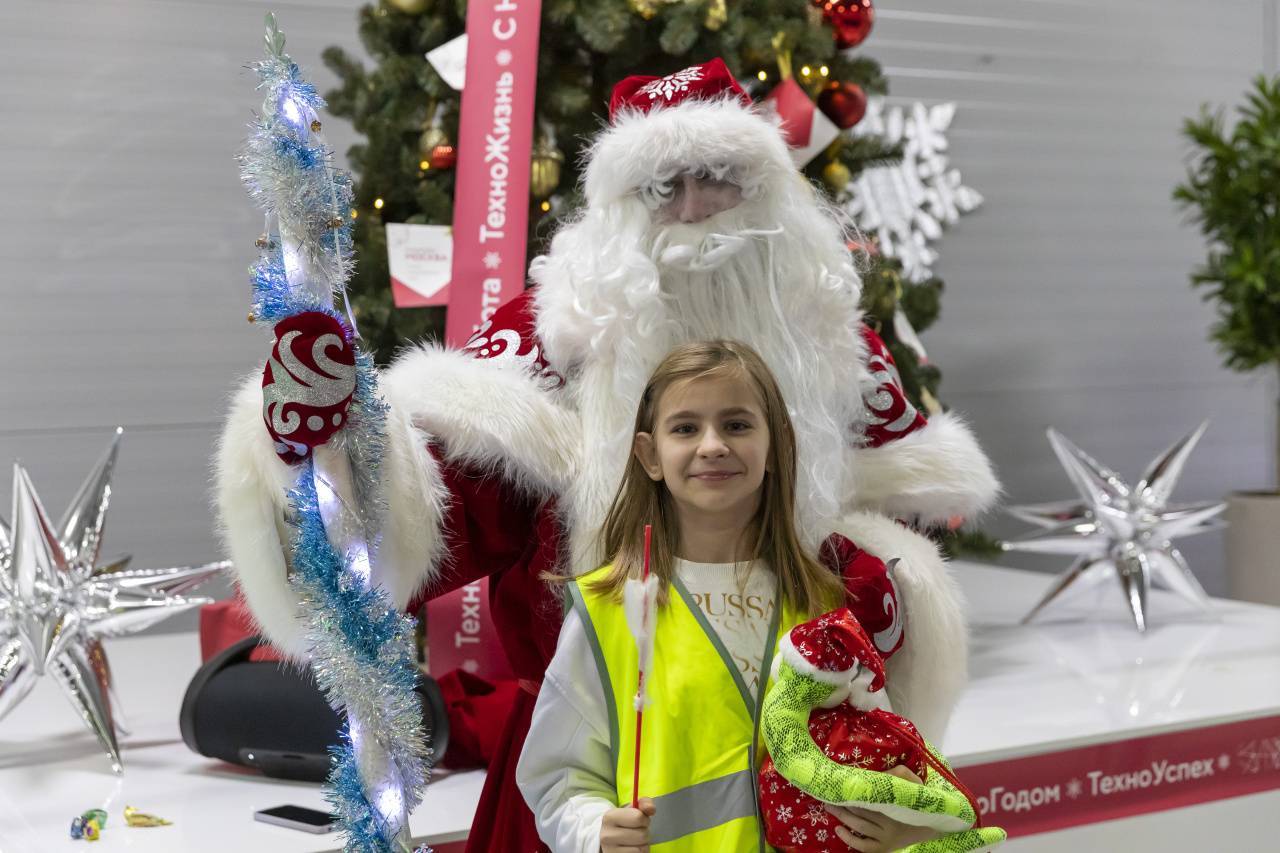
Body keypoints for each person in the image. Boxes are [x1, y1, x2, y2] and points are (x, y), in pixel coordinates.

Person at [214, 58, 998, 853]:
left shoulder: (836, 351)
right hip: (585, 787)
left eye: (721, 176)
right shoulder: (546, 349)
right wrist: (328, 449)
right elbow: (403, 537)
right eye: (662, 188)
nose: (693, 212)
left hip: (807, 791)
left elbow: (887, 553)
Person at [518, 340, 953, 852]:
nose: (712, 445)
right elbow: (556, 778)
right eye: (685, 428)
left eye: (737, 425)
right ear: (649, 455)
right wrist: (593, 831)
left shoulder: (821, 601)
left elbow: (874, 750)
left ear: (774, 446)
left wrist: (897, 821)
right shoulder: (608, 610)